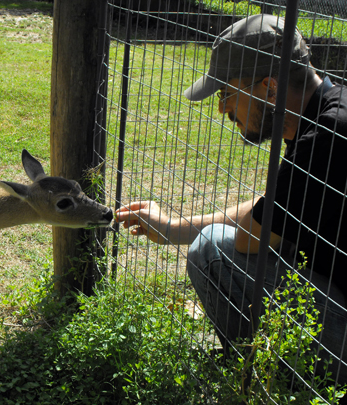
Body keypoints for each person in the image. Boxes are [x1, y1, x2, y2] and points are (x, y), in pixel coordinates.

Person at [115, 14, 347, 385]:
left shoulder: (326, 138)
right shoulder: (331, 112)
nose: (222, 109)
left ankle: (259, 382)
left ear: (270, 89)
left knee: (212, 250)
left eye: (226, 93)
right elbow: (273, 205)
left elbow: (247, 239)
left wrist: (179, 231)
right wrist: (173, 227)